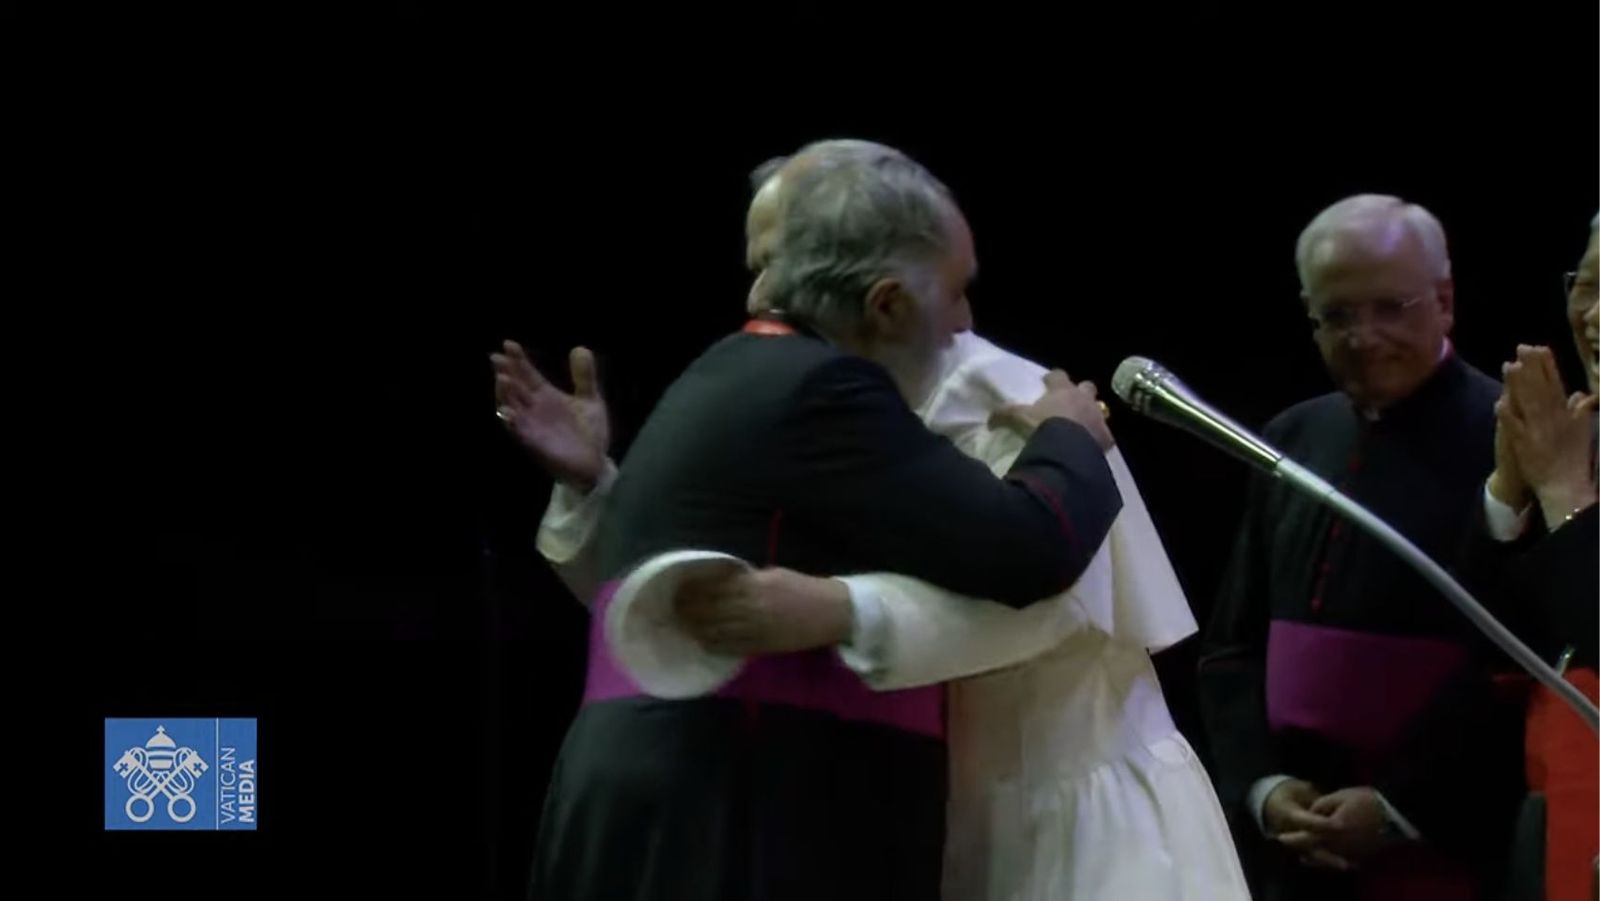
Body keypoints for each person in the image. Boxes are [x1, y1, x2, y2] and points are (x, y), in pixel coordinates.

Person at [493, 140, 1124, 900]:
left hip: (661, 796)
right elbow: (1031, 544)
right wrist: (1069, 434)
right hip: (739, 804)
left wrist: (598, 482)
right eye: (956, 291)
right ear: (887, 303)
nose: (964, 322)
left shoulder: (729, 372)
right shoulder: (824, 391)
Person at [1197, 194, 1525, 900]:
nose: (1362, 335)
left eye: (1390, 307)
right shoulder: (1289, 437)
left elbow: (1521, 665)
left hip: (1445, 844)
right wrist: (1265, 784)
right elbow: (1231, 642)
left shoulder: (1517, 441)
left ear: (1444, 300)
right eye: (1336, 315)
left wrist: (1400, 805)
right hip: (1293, 843)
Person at [1473, 216, 1598, 901]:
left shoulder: (1568, 463)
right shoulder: (1581, 428)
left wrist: (1562, 495)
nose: (1594, 314)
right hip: (1553, 824)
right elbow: (1484, 639)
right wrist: (1508, 494)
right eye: (1587, 284)